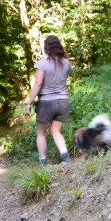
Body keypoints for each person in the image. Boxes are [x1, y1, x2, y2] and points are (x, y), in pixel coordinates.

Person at [24, 35, 72, 165]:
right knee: (56, 130)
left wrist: (29, 102)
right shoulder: (66, 63)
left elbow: (38, 83)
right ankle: (64, 155)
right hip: (63, 101)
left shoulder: (42, 64)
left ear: (47, 48)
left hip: (46, 102)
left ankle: (43, 161)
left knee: (41, 133)